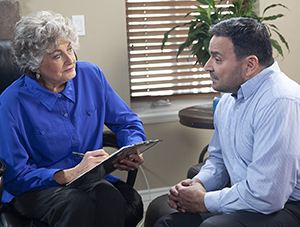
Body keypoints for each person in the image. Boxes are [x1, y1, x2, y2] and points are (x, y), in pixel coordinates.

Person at [0, 11, 147, 227]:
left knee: (111, 198)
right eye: (57, 55)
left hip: (88, 180)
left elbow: (127, 122)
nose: (71, 59)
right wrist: (66, 175)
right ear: (34, 64)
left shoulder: (92, 76)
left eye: (70, 48)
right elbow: (16, 176)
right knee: (76, 204)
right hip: (36, 189)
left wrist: (130, 147)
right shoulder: (10, 103)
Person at [154, 17, 300, 227]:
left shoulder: (280, 101)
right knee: (167, 223)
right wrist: (197, 184)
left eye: (217, 59)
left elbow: (268, 196)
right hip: (252, 200)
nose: (207, 66)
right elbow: (219, 159)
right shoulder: (228, 100)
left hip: (288, 206)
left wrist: (204, 201)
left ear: (250, 64)